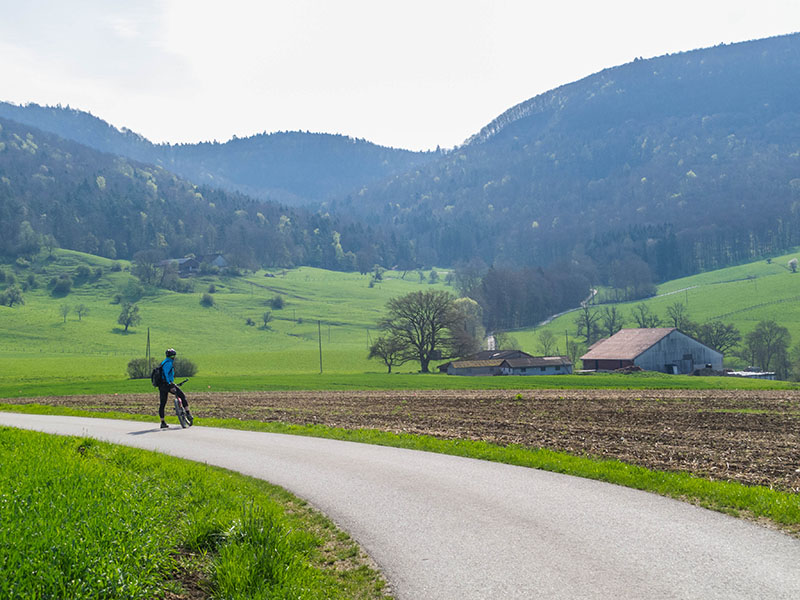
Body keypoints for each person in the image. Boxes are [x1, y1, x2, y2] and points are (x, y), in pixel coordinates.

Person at [158, 348, 192, 428]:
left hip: (161, 386)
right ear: (171, 356)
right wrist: (170, 385)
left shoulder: (163, 362)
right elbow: (166, 374)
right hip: (167, 384)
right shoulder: (168, 363)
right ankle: (188, 413)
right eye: (173, 355)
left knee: (162, 404)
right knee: (182, 396)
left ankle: (162, 422)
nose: (174, 357)